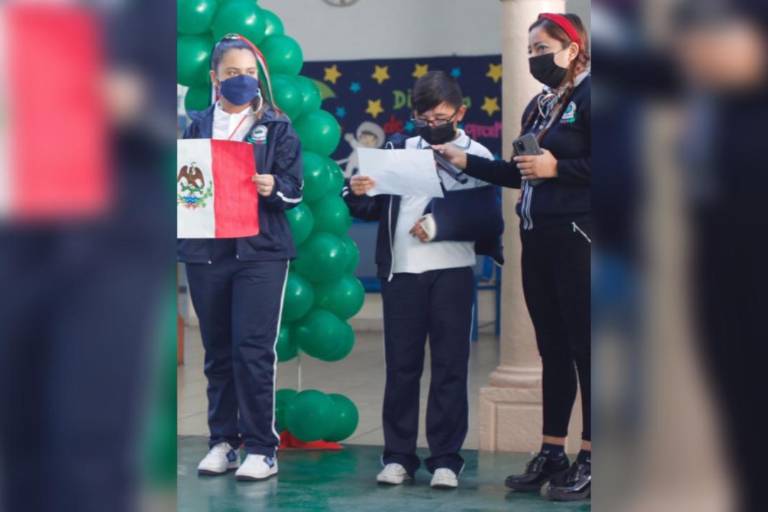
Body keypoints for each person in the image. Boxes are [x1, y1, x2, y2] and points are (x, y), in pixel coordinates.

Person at [435, 13, 591, 501]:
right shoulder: (540, 106)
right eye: (529, 51)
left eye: (543, 48)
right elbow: (520, 172)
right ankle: (552, 451)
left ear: (573, 48)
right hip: (538, 238)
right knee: (554, 349)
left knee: (588, 349)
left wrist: (558, 167)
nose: (534, 58)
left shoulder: (593, 96)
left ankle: (592, 454)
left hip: (579, 238)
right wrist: (466, 161)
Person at [344, 71, 500, 489]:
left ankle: (446, 459)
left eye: (441, 117)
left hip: (452, 271)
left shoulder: (477, 153)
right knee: (402, 367)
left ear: (461, 112)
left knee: (450, 366)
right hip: (402, 272)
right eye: (425, 118)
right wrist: (358, 191)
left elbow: (489, 217)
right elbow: (367, 209)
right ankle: (398, 457)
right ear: (414, 116)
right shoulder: (398, 148)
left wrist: (441, 223)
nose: (433, 125)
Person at [177, 34, 303, 481]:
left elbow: (294, 187)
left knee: (252, 350)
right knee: (217, 351)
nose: (242, 81)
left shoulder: (278, 127)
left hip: (261, 253)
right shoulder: (194, 127)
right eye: (232, 73)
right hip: (207, 252)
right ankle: (222, 442)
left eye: (250, 74)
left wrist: (275, 188)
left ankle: (261, 448)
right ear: (215, 78)